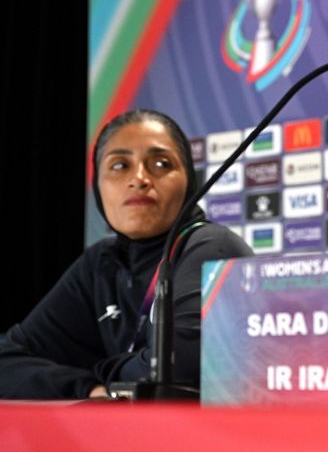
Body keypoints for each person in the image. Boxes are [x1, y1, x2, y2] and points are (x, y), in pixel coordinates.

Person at [0, 109, 253, 398]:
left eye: (161, 163)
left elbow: (173, 368)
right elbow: (7, 360)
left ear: (188, 182)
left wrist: (101, 373)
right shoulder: (100, 263)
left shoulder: (212, 248)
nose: (140, 178)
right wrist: (88, 388)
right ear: (97, 185)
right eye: (120, 166)